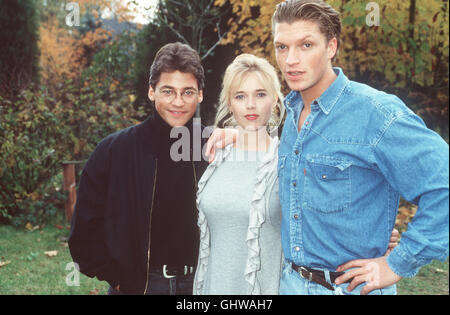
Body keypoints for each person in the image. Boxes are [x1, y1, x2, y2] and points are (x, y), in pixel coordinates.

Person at [206, 0, 449, 295]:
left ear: (331, 47)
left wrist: (396, 264)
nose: (291, 60)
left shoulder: (376, 113)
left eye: (306, 45)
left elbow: (443, 183)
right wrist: (239, 137)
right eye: (282, 47)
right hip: (289, 285)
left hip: (349, 289)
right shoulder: (291, 114)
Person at [68, 42, 209, 295]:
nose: (178, 102)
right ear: (151, 91)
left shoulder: (213, 148)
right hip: (140, 285)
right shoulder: (114, 150)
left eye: (188, 92)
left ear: (200, 94)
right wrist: (116, 276)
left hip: (202, 284)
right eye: (168, 91)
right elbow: (84, 229)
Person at [193, 54, 285, 295]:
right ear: (230, 103)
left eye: (260, 94)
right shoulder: (214, 156)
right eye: (240, 96)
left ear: (275, 99)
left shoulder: (285, 162)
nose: (250, 105)